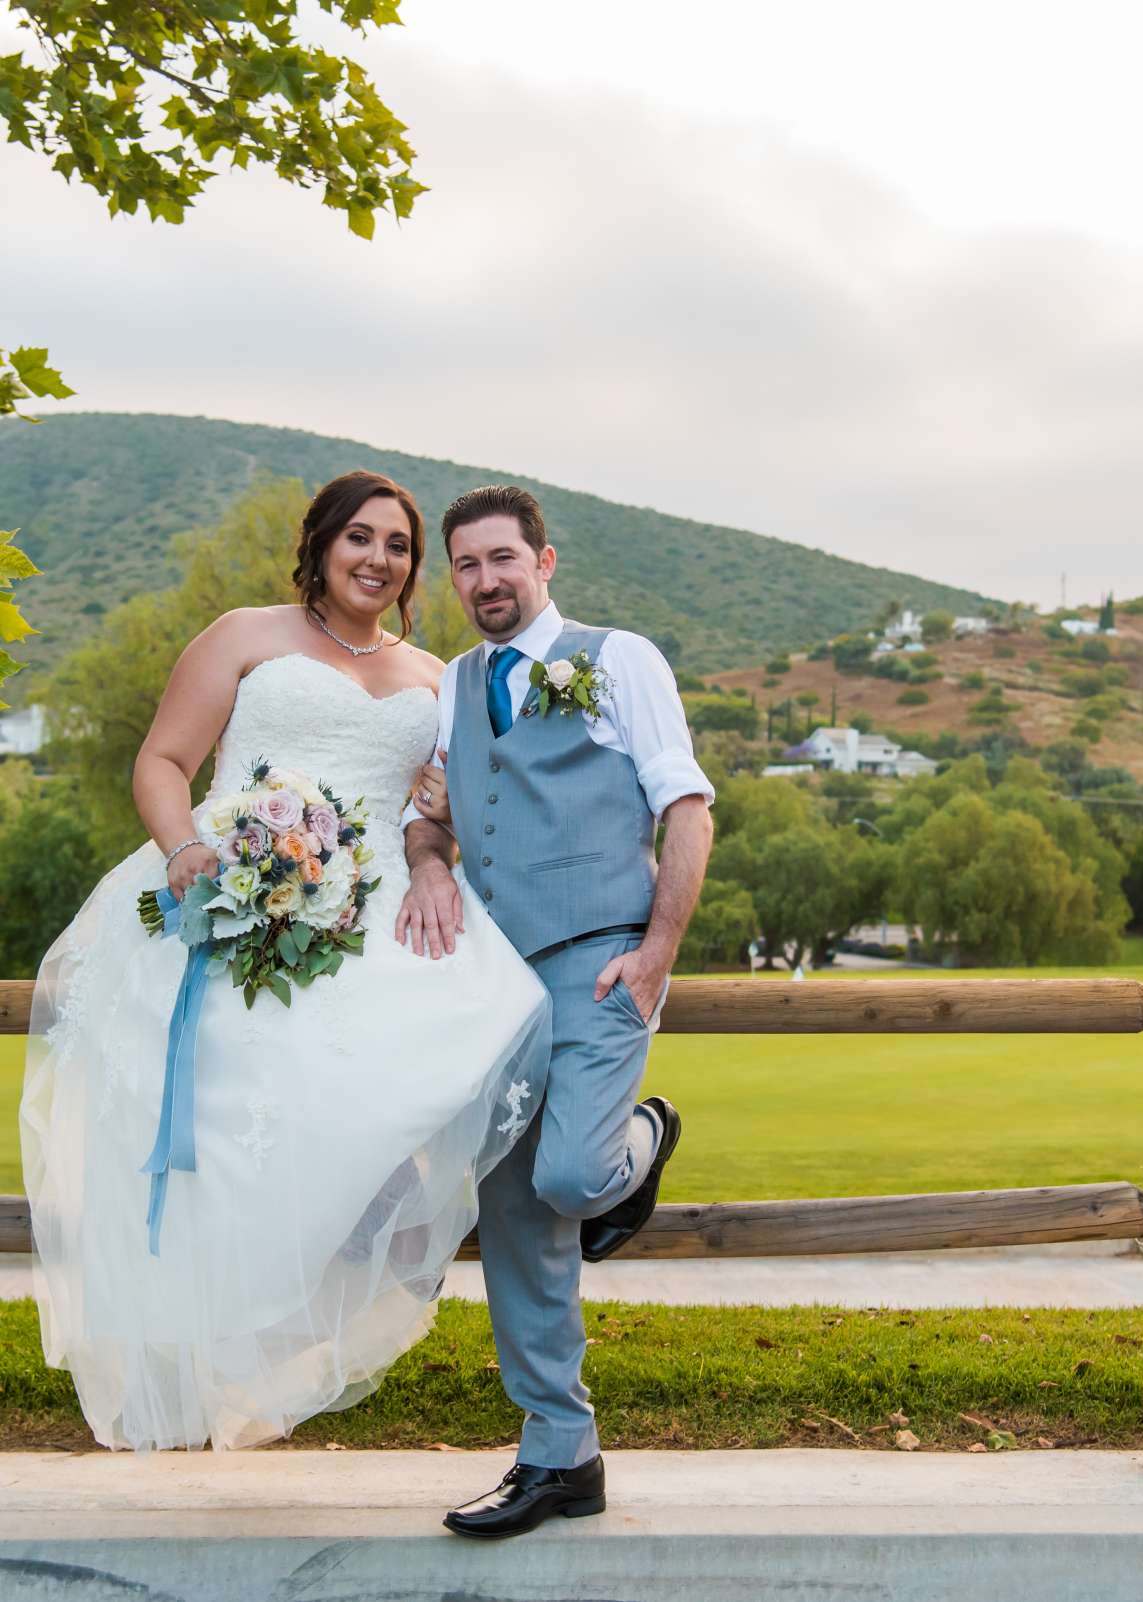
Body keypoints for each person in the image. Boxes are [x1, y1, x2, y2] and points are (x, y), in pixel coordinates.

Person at [18, 471, 553, 1452]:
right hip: (236, 896)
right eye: (359, 537)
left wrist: (437, 843)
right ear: (319, 543)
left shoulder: (439, 676)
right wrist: (189, 854)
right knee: (244, 1130)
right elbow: (161, 762)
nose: (377, 559)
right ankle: (227, 1327)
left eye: (397, 545)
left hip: (385, 905)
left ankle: (471, 1218)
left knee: (509, 1017)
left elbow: (448, 810)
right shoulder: (244, 636)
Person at [398, 484, 716, 1539]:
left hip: (599, 967)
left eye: (502, 559)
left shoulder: (618, 658)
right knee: (519, 1222)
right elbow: (430, 811)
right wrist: (425, 863)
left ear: (544, 561)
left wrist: (658, 956)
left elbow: (685, 806)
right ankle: (559, 1456)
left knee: (576, 1175)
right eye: (465, 566)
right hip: (493, 988)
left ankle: (646, 1135)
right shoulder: (455, 682)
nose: (485, 581)